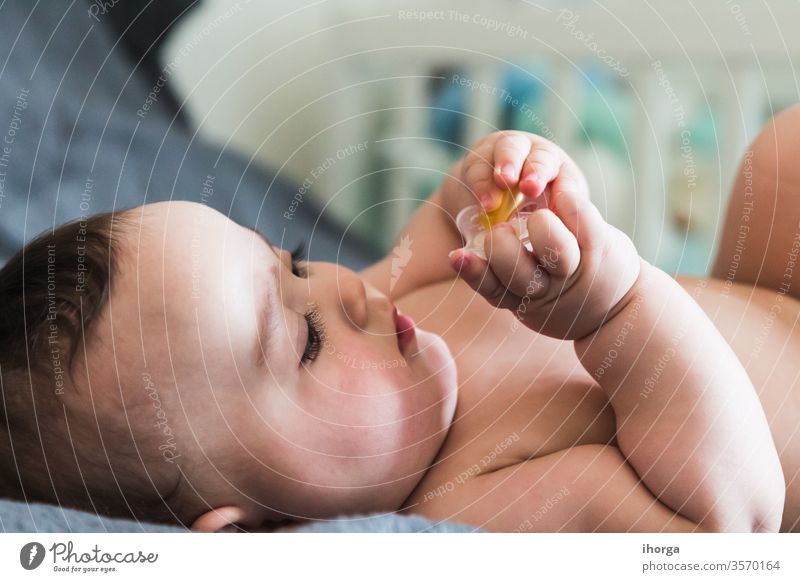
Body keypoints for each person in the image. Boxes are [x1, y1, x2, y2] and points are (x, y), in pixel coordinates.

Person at [1, 107, 798, 533]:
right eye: (306, 342)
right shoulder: (466, 506)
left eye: (297, 264)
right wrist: (619, 309)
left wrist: (500, 176)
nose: (345, 292)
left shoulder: (392, 311)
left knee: (784, 158)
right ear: (258, 532)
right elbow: (725, 524)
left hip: (770, 299)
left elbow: (457, 207)